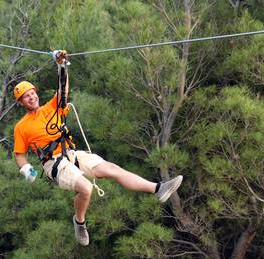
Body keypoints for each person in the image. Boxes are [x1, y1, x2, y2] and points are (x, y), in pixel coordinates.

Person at [13, 79, 182, 246]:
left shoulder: (52, 107)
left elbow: (63, 89)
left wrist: (62, 65)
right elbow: (19, 154)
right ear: (21, 102)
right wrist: (27, 169)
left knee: (111, 169)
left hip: (71, 154)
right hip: (54, 163)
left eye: (32, 93)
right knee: (86, 188)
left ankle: (158, 189)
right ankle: (79, 222)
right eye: (26, 96)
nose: (32, 97)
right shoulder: (21, 127)